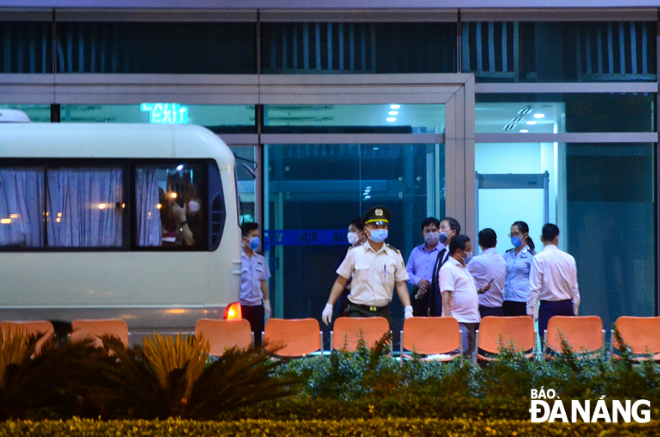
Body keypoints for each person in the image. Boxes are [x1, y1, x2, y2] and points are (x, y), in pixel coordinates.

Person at [322, 205, 413, 327]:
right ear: (366, 229)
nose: (380, 229)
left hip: (383, 312)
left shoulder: (394, 255)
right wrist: (329, 305)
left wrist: (408, 309)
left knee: (383, 346)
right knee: (357, 346)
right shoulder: (354, 253)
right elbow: (341, 281)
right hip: (357, 311)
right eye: (375, 226)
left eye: (383, 226)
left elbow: (401, 284)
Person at [527, 223, 580, 342]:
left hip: (548, 307)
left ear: (541, 238)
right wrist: (575, 309)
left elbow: (534, 288)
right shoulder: (569, 258)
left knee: (548, 347)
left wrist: (531, 311)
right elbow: (574, 288)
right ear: (557, 237)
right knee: (567, 346)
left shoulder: (538, 259)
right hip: (567, 306)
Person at [439, 235, 488, 357]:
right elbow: (446, 294)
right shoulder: (448, 268)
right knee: (459, 354)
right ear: (458, 252)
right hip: (458, 320)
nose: (470, 253)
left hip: (470, 319)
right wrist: (448, 319)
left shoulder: (463, 268)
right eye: (468, 249)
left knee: (469, 355)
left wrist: (480, 290)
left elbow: (463, 291)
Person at [240, 222, 271, 346]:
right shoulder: (236, 257)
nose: (256, 239)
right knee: (242, 340)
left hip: (257, 306)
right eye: (253, 236)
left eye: (257, 236)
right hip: (241, 305)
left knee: (258, 340)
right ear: (244, 238)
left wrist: (266, 302)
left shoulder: (260, 258)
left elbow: (263, 281)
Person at [406, 217, 443, 317]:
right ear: (423, 233)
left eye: (434, 230)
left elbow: (444, 274)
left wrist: (427, 283)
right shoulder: (416, 251)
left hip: (436, 295)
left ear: (439, 232)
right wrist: (419, 281)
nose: (431, 233)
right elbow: (407, 272)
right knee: (417, 326)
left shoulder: (444, 251)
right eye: (428, 231)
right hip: (418, 295)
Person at [466, 228, 506, 318]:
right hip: (499, 309)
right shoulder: (502, 260)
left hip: (483, 309)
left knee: (480, 332)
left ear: (479, 242)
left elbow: (462, 275)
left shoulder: (477, 260)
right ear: (496, 242)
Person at [332, 218, 368, 318]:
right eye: (349, 231)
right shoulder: (345, 253)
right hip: (346, 302)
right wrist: (347, 284)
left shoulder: (371, 254)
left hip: (366, 303)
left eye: (353, 231)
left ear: (362, 234)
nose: (350, 234)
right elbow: (337, 275)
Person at [428, 217, 461, 316]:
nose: (440, 231)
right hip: (436, 305)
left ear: (453, 232)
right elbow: (435, 281)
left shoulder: (457, 254)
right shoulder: (441, 253)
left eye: (443, 228)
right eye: (440, 228)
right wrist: (430, 305)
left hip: (451, 308)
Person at [503, 221, 536, 316]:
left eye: (516, 234)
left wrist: (532, 306)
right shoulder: (507, 254)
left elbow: (535, 282)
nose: (514, 237)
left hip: (522, 300)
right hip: (507, 299)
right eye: (511, 234)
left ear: (525, 235)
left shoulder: (531, 256)